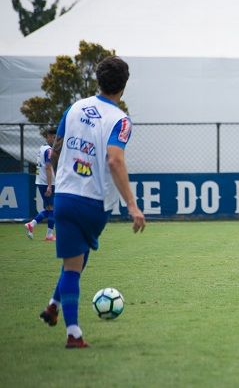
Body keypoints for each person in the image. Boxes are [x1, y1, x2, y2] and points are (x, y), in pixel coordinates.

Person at [38, 56, 145, 348]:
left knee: (77, 256)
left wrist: (65, 174)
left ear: (97, 80)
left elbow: (56, 150)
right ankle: (73, 333)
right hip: (92, 202)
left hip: (65, 195)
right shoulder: (120, 120)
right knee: (74, 264)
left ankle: (53, 304)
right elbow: (114, 159)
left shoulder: (74, 108)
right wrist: (133, 205)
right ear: (123, 87)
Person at [24, 127, 57, 241]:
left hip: (41, 181)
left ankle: (31, 225)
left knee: (49, 208)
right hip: (47, 182)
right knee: (52, 208)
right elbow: (48, 167)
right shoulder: (49, 150)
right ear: (51, 137)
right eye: (54, 137)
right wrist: (49, 185)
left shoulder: (42, 148)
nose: (55, 140)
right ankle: (49, 235)